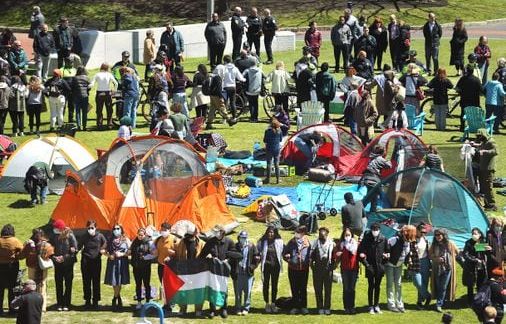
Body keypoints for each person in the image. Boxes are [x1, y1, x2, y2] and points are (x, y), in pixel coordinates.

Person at [199, 225, 236, 318]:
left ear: (222, 232)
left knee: (224, 289)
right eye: (214, 231)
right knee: (212, 289)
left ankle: (224, 308)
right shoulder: (210, 241)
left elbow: (235, 254)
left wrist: (228, 260)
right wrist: (208, 258)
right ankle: (212, 309)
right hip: (213, 270)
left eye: (217, 231)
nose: (215, 233)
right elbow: (202, 255)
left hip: (224, 270)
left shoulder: (229, 241)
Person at [173, 225, 204, 317]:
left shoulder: (201, 243)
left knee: (198, 291)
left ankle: (198, 310)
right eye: (187, 235)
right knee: (183, 291)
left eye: (190, 235)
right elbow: (176, 254)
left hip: (197, 271)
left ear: (194, 234)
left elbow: (206, 254)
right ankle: (183, 309)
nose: (188, 237)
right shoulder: (181, 243)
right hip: (184, 271)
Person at [359, 222, 387, 314]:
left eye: (377, 230)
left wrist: (384, 264)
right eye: (373, 230)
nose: (375, 231)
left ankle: (377, 305)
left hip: (379, 267)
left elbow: (388, 252)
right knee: (371, 286)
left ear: (379, 230)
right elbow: (361, 253)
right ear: (371, 230)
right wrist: (367, 265)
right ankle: (370, 306)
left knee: (378, 286)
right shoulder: (366, 239)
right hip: (370, 266)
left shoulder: (383, 239)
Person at [49, 219, 77, 311]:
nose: (55, 229)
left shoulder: (70, 235)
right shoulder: (53, 236)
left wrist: (64, 258)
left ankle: (67, 303)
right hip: (58, 264)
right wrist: (54, 258)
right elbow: (49, 250)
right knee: (58, 283)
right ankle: (59, 303)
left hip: (68, 264)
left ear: (61, 228)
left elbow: (75, 250)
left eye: (56, 228)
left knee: (68, 284)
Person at [22, 228, 53, 313]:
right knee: (42, 286)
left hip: (33, 267)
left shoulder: (29, 243)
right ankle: (42, 307)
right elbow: (51, 253)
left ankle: (33, 307)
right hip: (41, 267)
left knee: (32, 286)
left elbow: (22, 253)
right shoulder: (46, 244)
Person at [78, 220, 106, 309]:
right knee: (86, 281)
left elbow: (105, 243)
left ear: (96, 227)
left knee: (96, 281)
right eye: (89, 228)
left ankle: (96, 301)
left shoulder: (100, 236)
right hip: (86, 260)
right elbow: (78, 246)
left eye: (92, 227)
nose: (90, 229)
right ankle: (87, 300)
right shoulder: (84, 236)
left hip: (96, 260)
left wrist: (102, 249)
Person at [283, 225, 310, 315]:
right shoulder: (291, 242)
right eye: (296, 232)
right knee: (294, 288)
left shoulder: (308, 243)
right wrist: (288, 259)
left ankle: (303, 306)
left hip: (304, 269)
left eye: (298, 232)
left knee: (303, 288)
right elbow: (284, 253)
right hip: (293, 269)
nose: (296, 234)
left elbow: (311, 254)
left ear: (303, 233)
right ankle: (295, 307)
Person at [430, 228, 458, 312]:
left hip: (447, 268)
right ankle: (442, 301)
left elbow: (457, 252)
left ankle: (439, 304)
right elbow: (430, 255)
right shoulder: (434, 245)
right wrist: (436, 258)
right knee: (438, 286)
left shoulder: (450, 244)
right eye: (436, 235)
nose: (438, 236)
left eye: (439, 235)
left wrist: (450, 258)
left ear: (444, 235)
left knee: (443, 286)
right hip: (437, 268)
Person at [231, 231, 259, 316]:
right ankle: (238, 308)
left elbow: (257, 257)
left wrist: (252, 267)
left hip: (248, 273)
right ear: (238, 238)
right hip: (238, 273)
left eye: (245, 237)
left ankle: (246, 308)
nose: (243, 239)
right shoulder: (235, 246)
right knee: (238, 292)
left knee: (247, 292)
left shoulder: (251, 246)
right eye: (242, 237)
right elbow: (231, 258)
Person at [384, 225, 412, 312]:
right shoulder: (394, 239)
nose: (408, 239)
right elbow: (386, 249)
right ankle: (391, 304)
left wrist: (409, 260)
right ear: (403, 233)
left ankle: (400, 304)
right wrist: (387, 255)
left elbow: (406, 253)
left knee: (398, 284)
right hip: (390, 265)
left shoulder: (408, 242)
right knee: (390, 285)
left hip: (399, 265)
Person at [257, 226, 283, 314]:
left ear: (275, 233)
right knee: (266, 285)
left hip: (276, 266)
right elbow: (257, 251)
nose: (270, 234)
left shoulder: (279, 241)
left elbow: (285, 250)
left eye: (272, 232)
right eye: (269, 232)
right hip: (266, 266)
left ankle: (273, 303)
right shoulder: (263, 242)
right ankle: (267, 303)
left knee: (274, 285)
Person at [104, 224, 130, 311]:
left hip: (122, 262)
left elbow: (130, 251)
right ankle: (117, 297)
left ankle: (115, 298)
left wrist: (122, 254)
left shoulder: (125, 239)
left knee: (119, 280)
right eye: (114, 228)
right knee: (114, 280)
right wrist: (108, 255)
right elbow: (102, 249)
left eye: (118, 228)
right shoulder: (109, 239)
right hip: (112, 262)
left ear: (121, 229)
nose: (116, 230)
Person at [310, 227, 336, 315]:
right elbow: (311, 256)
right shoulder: (315, 244)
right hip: (317, 269)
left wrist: (333, 266)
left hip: (328, 269)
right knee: (318, 289)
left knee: (328, 290)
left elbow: (334, 257)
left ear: (327, 234)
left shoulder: (332, 244)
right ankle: (320, 307)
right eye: (320, 235)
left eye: (323, 235)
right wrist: (312, 266)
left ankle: (327, 307)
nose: (322, 236)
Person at [0, 224, 24, 315]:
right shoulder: (15, 241)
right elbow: (22, 251)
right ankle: (12, 309)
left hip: (0, 266)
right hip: (12, 266)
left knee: (0, 289)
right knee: (12, 288)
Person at [153, 222, 176, 314]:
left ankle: (170, 304)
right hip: (161, 265)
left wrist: (172, 255)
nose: (163, 232)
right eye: (162, 230)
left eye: (165, 230)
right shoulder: (158, 239)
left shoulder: (174, 240)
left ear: (169, 231)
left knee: (170, 285)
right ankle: (167, 303)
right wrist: (154, 252)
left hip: (171, 266)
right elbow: (154, 249)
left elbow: (179, 253)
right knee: (163, 285)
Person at [129, 227, 154, 310]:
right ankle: (139, 301)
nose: (140, 236)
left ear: (145, 235)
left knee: (147, 284)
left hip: (146, 267)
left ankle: (147, 301)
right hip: (136, 267)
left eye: (142, 235)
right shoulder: (134, 242)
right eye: (139, 235)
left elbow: (154, 254)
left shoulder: (149, 242)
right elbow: (130, 251)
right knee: (138, 284)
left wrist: (145, 257)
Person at [361, 145, 392, 212]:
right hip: (373, 179)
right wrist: (388, 160)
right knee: (370, 196)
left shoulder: (372, 158)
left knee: (374, 195)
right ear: (383, 152)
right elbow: (389, 166)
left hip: (367, 178)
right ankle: (358, 209)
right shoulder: (380, 159)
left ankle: (373, 210)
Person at [463, 227, 489, 304]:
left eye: (475, 233)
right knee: (470, 284)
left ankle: (479, 298)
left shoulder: (483, 242)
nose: (474, 235)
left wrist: (488, 251)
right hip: (471, 267)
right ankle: (470, 301)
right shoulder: (468, 243)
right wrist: (475, 260)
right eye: (473, 234)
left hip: (482, 266)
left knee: (481, 282)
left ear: (480, 234)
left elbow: (485, 254)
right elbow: (465, 254)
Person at [337, 227, 359, 314]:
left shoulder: (355, 243)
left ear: (351, 235)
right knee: (346, 289)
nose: (347, 236)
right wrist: (338, 254)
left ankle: (352, 307)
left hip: (354, 269)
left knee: (352, 289)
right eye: (346, 235)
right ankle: (346, 307)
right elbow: (336, 253)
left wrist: (348, 245)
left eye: (348, 235)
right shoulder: (341, 245)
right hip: (345, 269)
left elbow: (353, 251)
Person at [409, 223, 432, 310]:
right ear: (417, 230)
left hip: (425, 262)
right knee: (418, 283)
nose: (423, 234)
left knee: (424, 283)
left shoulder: (425, 240)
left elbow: (428, 252)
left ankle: (420, 302)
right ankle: (428, 296)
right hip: (415, 263)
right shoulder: (412, 240)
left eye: (425, 232)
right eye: (422, 232)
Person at [475, 128, 499, 210]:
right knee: (483, 187)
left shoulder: (491, 141)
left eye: (480, 136)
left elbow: (496, 151)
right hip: (483, 167)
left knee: (488, 187)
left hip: (489, 168)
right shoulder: (484, 142)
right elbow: (482, 146)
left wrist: (485, 151)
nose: (479, 138)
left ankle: (492, 205)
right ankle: (487, 204)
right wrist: (475, 145)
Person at [89, 63, 117, 129]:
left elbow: (92, 84)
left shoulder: (97, 74)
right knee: (109, 110)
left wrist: (86, 86)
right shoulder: (109, 74)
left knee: (99, 110)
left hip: (99, 93)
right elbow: (116, 83)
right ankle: (109, 124)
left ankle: (99, 125)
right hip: (107, 93)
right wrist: (114, 91)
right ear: (107, 68)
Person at [456, 64, 482, 131]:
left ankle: (462, 127)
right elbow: (481, 90)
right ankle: (475, 126)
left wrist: (460, 92)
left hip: (464, 100)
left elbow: (457, 88)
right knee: (475, 115)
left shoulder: (463, 79)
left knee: (463, 114)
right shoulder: (477, 80)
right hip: (475, 101)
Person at [220, 55, 246, 120]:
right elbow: (240, 77)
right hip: (232, 87)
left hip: (225, 87)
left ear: (224, 61)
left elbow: (220, 77)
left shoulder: (223, 68)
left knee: (224, 103)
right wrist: (244, 80)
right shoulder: (235, 68)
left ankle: (225, 118)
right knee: (232, 102)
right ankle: (234, 117)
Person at [263, 118, 283, 184]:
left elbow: (265, 140)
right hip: (276, 148)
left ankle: (268, 179)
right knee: (276, 164)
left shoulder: (267, 131)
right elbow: (280, 140)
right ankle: (278, 179)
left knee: (269, 163)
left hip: (269, 148)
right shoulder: (279, 131)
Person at [71, 66, 90, 130]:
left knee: (77, 111)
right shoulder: (87, 78)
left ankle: (79, 126)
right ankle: (84, 126)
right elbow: (89, 87)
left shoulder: (74, 78)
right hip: (85, 96)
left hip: (76, 96)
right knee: (84, 112)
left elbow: (72, 87)